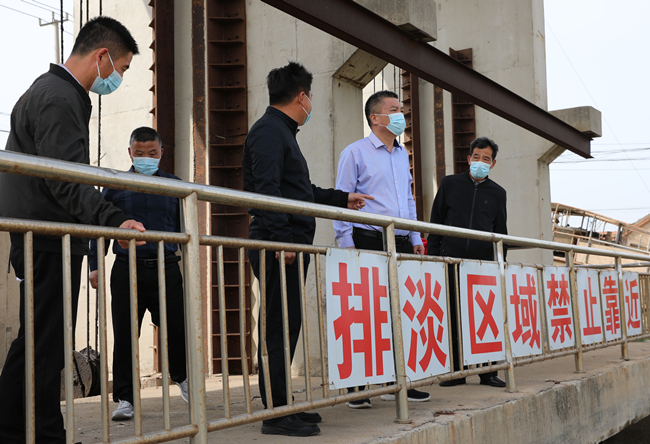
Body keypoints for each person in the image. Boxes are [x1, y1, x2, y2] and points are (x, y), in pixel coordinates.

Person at [0, 16, 145, 444]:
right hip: (47, 238)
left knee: (38, 342)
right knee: (44, 346)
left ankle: (21, 430)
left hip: (43, 235)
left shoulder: (51, 92)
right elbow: (66, 180)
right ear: (102, 57)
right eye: (121, 68)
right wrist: (112, 219)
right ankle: (38, 434)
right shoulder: (60, 98)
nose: (118, 78)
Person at [243, 62, 371, 437]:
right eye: (311, 95)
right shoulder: (269, 133)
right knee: (279, 327)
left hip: (286, 242)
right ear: (301, 96)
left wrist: (341, 198)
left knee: (288, 325)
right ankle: (275, 414)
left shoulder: (282, 132)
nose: (311, 102)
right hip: (277, 243)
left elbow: (300, 191)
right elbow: (267, 192)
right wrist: (283, 238)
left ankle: (283, 404)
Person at [333, 90, 430, 408]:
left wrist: (415, 238)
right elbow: (342, 200)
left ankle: (396, 382)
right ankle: (357, 387)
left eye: (401, 108)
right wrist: (347, 244)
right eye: (394, 109)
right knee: (363, 312)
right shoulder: (355, 153)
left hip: (400, 242)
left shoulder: (401, 155)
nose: (401, 114)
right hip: (368, 239)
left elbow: (408, 199)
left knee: (399, 313)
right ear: (375, 117)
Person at [88, 127, 188, 420]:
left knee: (177, 329)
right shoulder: (115, 184)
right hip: (126, 269)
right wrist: (95, 264)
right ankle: (125, 398)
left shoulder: (175, 186)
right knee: (124, 335)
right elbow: (100, 225)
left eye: (152, 153)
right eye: (140, 153)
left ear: (161, 153)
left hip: (166, 268)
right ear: (130, 153)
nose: (146, 158)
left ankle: (183, 378)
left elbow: (184, 228)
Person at [427, 136, 508, 388]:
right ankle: (457, 372)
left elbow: (501, 232)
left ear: (493, 164)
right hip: (451, 261)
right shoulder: (449, 184)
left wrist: (500, 263)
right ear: (468, 158)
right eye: (477, 157)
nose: (481, 162)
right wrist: (434, 258)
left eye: (486, 159)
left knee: (484, 317)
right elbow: (436, 223)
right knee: (453, 315)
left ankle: (488, 371)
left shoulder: (498, 193)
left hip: (483, 266)